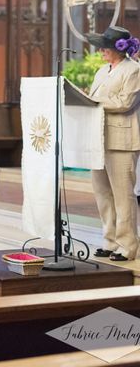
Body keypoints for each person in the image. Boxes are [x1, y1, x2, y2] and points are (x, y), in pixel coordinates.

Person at [86, 26, 140, 262]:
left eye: (105, 47)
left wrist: (93, 100)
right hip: (98, 139)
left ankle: (127, 246)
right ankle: (109, 241)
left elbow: (124, 102)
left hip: (122, 140)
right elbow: (94, 97)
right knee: (102, 193)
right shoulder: (101, 71)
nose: (100, 50)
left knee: (123, 195)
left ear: (119, 49)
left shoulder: (134, 70)